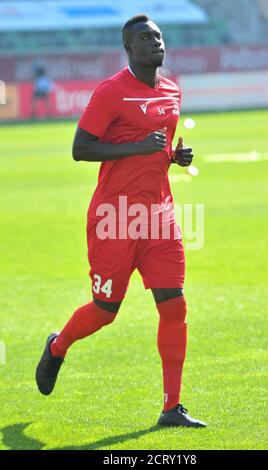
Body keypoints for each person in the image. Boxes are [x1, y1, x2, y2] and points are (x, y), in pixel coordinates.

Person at [35, 14, 206, 428]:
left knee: (174, 305)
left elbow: (156, 152)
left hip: (160, 215)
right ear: (129, 48)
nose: (156, 42)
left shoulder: (172, 91)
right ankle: (58, 346)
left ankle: (172, 407)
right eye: (146, 38)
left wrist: (172, 158)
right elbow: (81, 148)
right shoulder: (111, 92)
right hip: (115, 216)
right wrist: (138, 146)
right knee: (105, 309)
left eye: (159, 36)